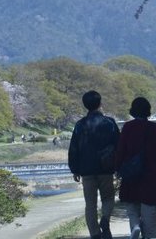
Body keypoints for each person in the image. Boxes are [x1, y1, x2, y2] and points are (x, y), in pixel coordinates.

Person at [67, 90, 120, 239]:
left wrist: (75, 169)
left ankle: (95, 234)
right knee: (108, 198)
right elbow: (118, 145)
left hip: (86, 170)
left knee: (90, 204)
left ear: (85, 105)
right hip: (106, 168)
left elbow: (74, 149)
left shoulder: (80, 125)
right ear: (100, 103)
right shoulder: (109, 122)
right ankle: (105, 220)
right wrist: (118, 166)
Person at [115, 97, 156, 239]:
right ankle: (149, 235)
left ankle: (135, 226)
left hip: (131, 175)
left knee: (132, 207)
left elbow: (120, 151)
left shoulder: (127, 127)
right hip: (150, 175)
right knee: (149, 210)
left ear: (133, 111)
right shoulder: (154, 128)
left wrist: (118, 169)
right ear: (148, 111)